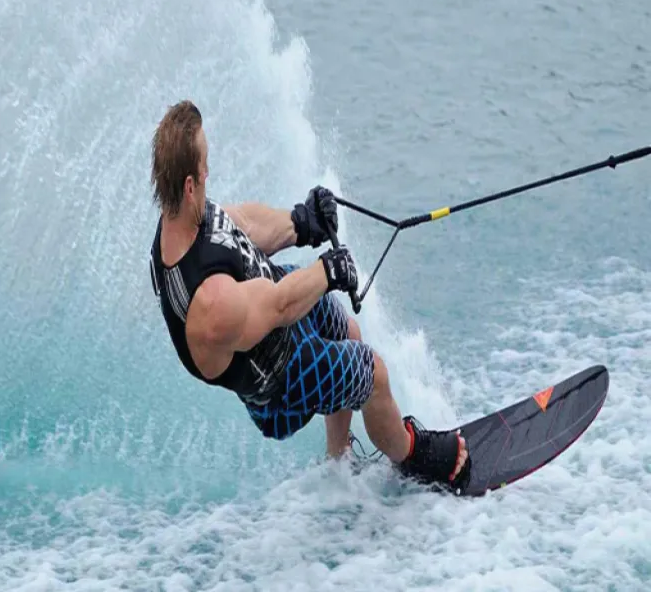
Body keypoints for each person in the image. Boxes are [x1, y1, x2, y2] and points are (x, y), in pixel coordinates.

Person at [148, 100, 470, 490]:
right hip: (284, 380)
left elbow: (243, 225)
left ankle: (338, 460)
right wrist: (327, 271)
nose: (208, 173)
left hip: (281, 312)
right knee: (374, 374)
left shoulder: (184, 215)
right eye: (204, 169)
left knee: (349, 331)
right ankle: (413, 456)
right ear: (187, 185)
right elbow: (281, 306)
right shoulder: (209, 305)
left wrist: (302, 223)